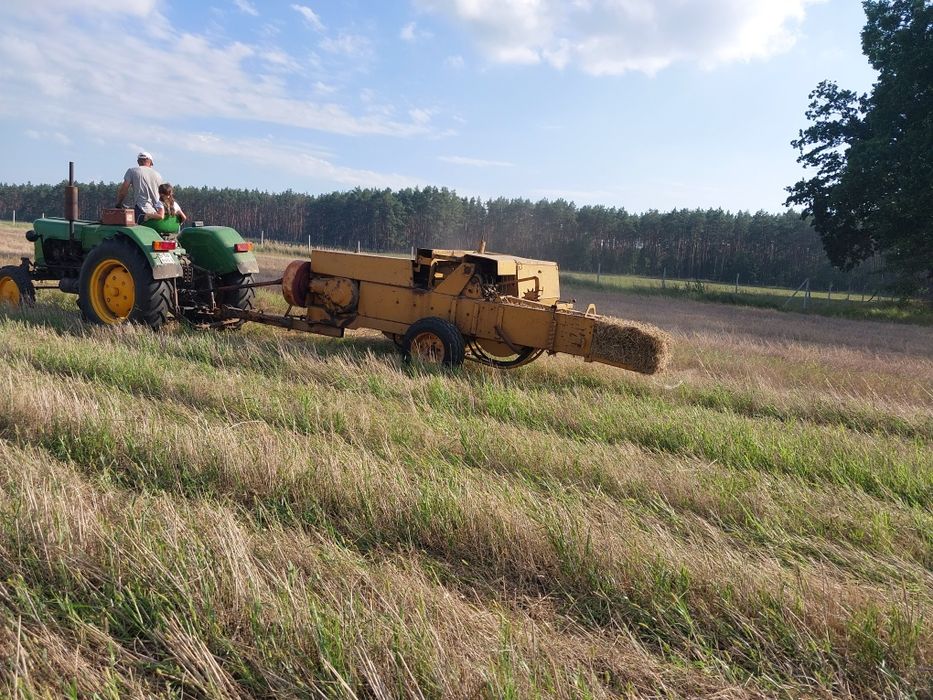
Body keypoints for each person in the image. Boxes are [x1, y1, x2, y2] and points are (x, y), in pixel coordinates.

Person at [115, 151, 162, 224]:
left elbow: (123, 190)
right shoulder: (158, 175)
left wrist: (119, 203)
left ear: (138, 161)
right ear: (150, 162)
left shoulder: (132, 171)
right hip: (156, 213)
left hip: (142, 210)